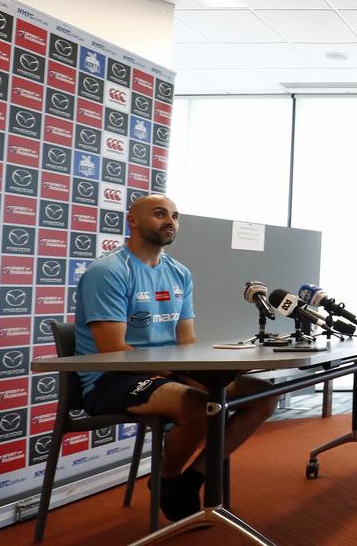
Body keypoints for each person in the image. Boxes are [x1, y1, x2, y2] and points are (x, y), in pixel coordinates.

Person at [76, 195, 280, 519]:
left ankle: (191, 479)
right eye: (159, 214)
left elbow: (186, 339)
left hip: (166, 372)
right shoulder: (108, 271)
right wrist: (182, 372)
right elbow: (113, 351)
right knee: (202, 407)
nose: (170, 221)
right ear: (133, 220)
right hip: (112, 378)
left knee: (265, 396)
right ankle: (167, 478)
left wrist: (205, 370)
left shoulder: (180, 273)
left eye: (175, 216)